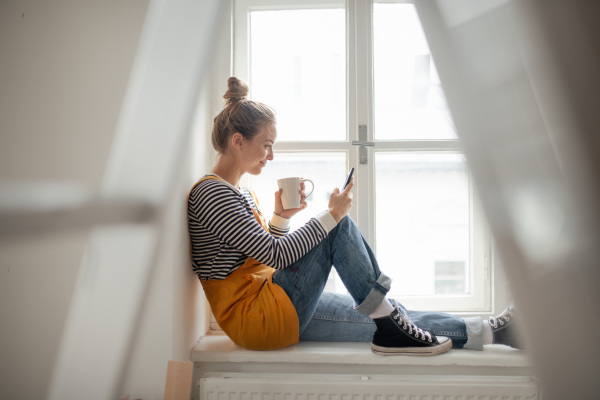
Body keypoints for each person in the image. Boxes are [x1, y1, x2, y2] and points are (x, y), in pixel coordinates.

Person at [187, 77, 521, 355]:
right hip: (255, 317)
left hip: (272, 300)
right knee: (338, 226)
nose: (271, 155)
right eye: (266, 145)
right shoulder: (212, 192)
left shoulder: (239, 193)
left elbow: (262, 258)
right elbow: (275, 255)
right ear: (237, 141)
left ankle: (493, 332)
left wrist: (280, 217)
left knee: (382, 317)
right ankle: (387, 317)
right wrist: (331, 216)